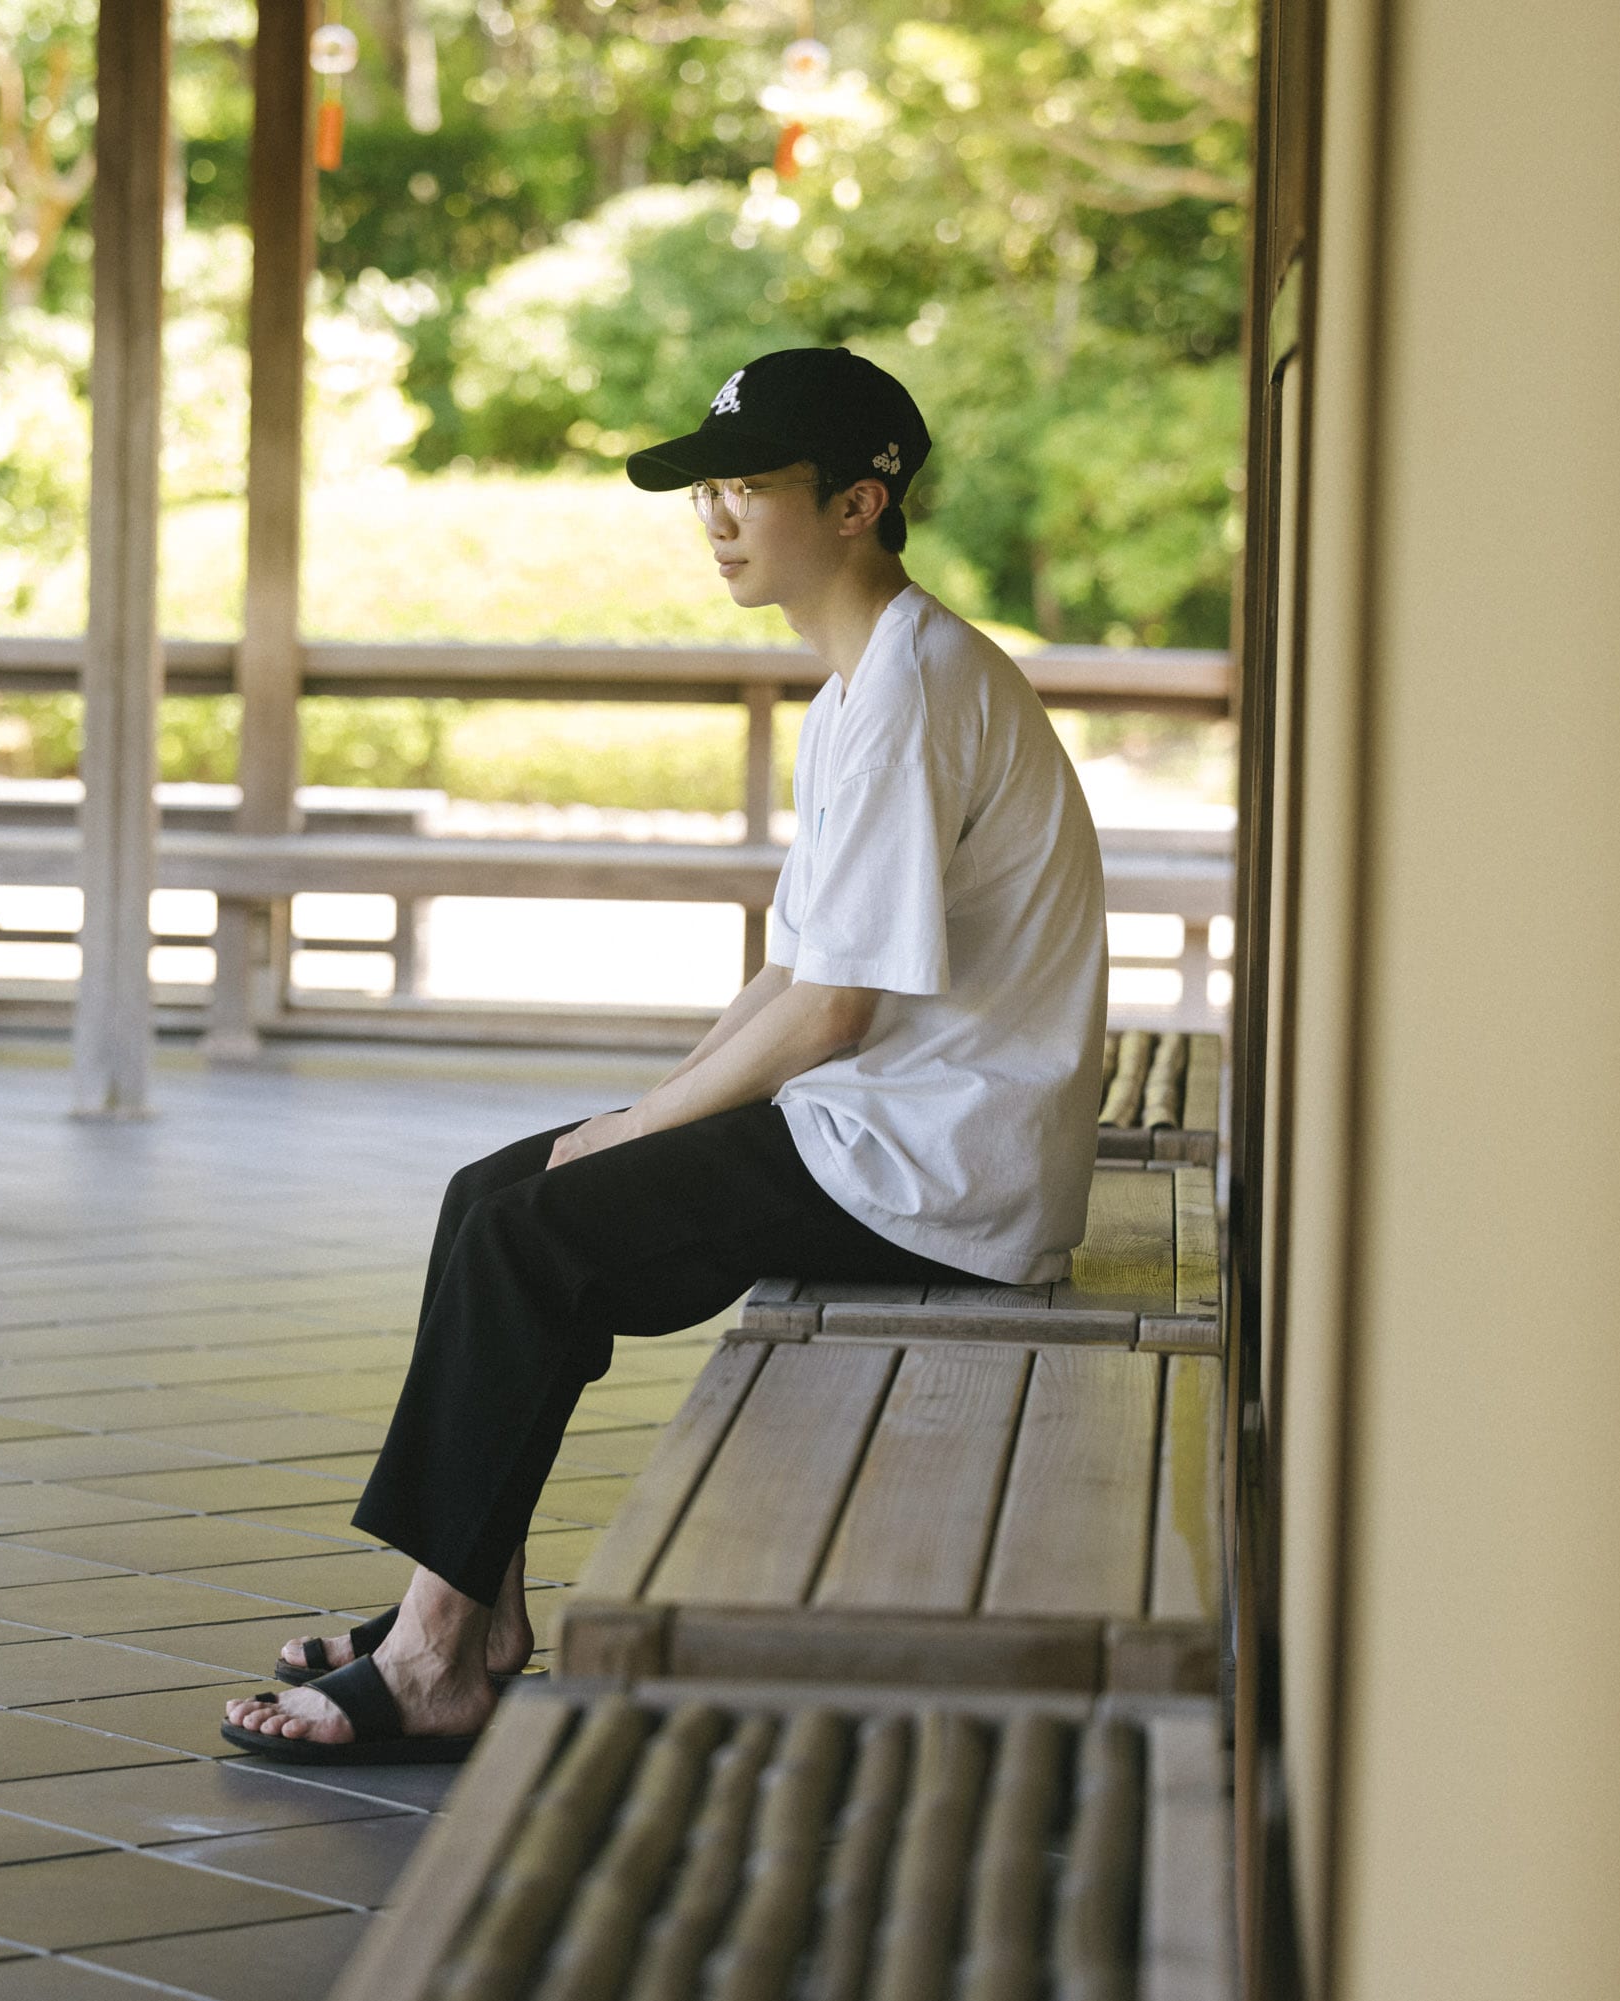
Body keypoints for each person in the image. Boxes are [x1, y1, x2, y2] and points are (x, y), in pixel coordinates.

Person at [222, 347, 1110, 1764]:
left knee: (536, 1236)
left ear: (859, 505)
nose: (717, 513)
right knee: (494, 1196)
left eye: (752, 486)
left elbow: (835, 1015)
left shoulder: (905, 694)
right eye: (710, 487)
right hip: (894, 1133)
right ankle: (458, 1613)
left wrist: (637, 1137)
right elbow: (791, 971)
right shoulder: (873, 679)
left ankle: (441, 1653)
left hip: (938, 1170)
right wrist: (642, 1113)